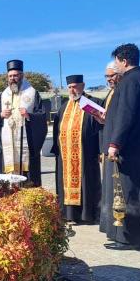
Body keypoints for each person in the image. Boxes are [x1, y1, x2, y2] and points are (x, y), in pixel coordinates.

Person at [101, 43, 140, 249]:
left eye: (117, 61)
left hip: (129, 147)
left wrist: (115, 143)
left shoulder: (129, 81)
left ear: (124, 61)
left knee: (128, 192)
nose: (115, 65)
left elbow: (125, 115)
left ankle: (128, 238)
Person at [50, 75, 103, 224]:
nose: (72, 90)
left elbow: (101, 128)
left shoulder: (93, 104)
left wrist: (100, 149)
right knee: (65, 184)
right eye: (70, 87)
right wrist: (57, 149)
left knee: (87, 183)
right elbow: (56, 130)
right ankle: (69, 214)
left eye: (75, 86)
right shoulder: (63, 107)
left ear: (83, 85)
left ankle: (88, 215)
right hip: (65, 155)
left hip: (86, 153)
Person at [0, 59, 48, 187]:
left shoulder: (32, 93)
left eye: (15, 75)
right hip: (8, 146)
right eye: (10, 76)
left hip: (27, 145)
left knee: (27, 179)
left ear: (21, 75)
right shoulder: (3, 95)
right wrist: (0, 115)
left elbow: (42, 116)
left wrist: (29, 116)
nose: (13, 79)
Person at [99, 61, 122, 234]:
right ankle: (109, 224)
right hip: (108, 146)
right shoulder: (111, 93)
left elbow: (122, 119)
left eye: (111, 76)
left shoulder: (121, 92)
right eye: (106, 76)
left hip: (117, 147)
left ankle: (117, 225)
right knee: (108, 187)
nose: (109, 80)